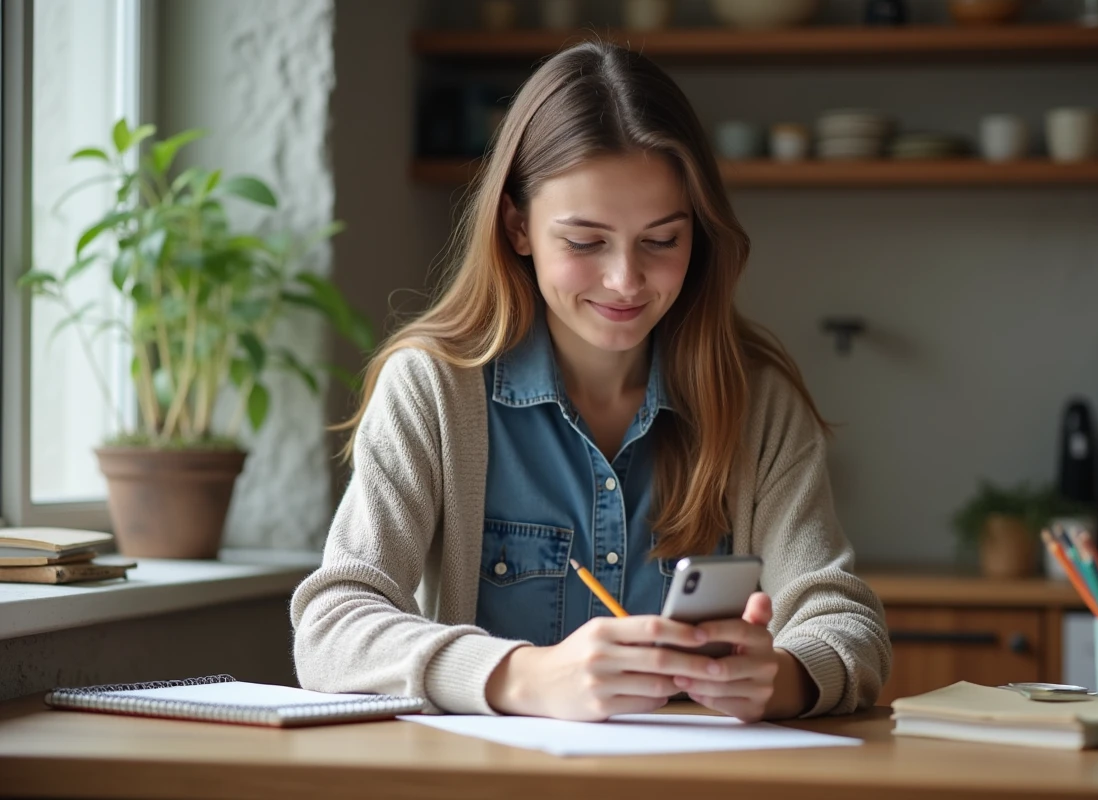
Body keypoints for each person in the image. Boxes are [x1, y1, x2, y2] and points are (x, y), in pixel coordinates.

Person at [291, 40, 890, 723]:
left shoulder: (757, 402)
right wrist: (525, 676)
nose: (626, 281)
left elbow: (844, 620)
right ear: (518, 226)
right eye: (585, 242)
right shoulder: (432, 389)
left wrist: (782, 677)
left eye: (663, 240)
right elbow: (330, 628)